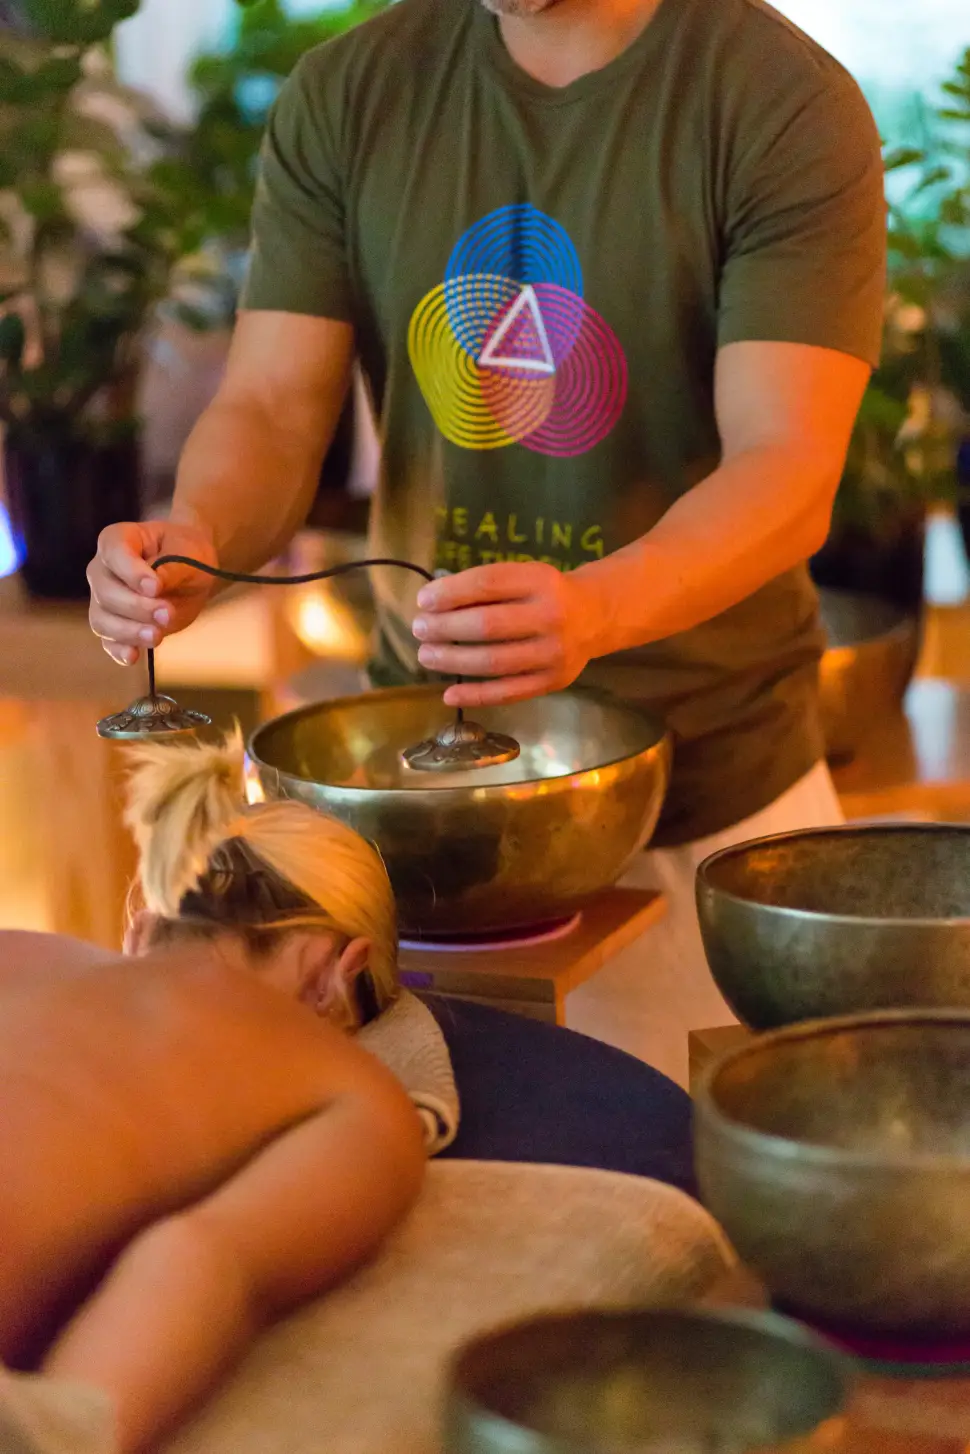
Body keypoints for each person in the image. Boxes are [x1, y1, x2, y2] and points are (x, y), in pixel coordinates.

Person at [86, 0, 886, 1081]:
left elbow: (785, 468)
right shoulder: (349, 90)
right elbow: (272, 406)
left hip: (713, 803)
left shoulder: (778, 101)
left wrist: (597, 606)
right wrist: (198, 535)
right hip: (412, 814)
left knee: (709, 1219)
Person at [0, 731, 427, 1453]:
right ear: (333, 974)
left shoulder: (21, 950)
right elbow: (198, 1263)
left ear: (139, 931)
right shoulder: (351, 1089)